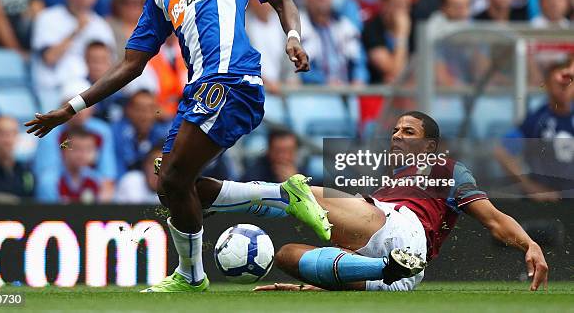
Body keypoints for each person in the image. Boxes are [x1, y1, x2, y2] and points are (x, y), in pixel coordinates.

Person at [25, 0, 320, 294]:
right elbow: (131, 63)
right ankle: (282, 195)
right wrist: (71, 107)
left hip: (231, 80)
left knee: (174, 181)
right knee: (175, 185)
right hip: (197, 92)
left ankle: (192, 276)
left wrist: (292, 37)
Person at [156, 111, 548, 292]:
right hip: (395, 271)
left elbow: (494, 219)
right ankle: (380, 269)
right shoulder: (391, 182)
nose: (396, 135)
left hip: (402, 229)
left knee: (302, 193)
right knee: (287, 255)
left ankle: (213, 192)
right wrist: (324, 282)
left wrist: (528, 244)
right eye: (394, 129)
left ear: (429, 145)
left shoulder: (443, 168)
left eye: (408, 131)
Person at [495, 61, 574, 201]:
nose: (565, 88)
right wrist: (528, 186)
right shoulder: (537, 120)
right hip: (550, 201)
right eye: (560, 84)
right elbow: (502, 152)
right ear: (548, 86)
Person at [31, 0, 116, 91]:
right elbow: (49, 58)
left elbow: (110, 65)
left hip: (93, 89)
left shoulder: (101, 25)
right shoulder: (47, 17)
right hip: (56, 87)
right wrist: (76, 31)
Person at [299, 0, 366, 85]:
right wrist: (324, 82)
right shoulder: (298, 25)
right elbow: (298, 68)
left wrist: (358, 79)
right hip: (312, 96)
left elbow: (359, 61)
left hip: (345, 94)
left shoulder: (345, 25)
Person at [362, 0, 414, 84]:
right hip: (377, 92)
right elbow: (396, 72)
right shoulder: (371, 29)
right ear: (384, 4)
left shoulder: (415, 26)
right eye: (397, 4)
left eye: (406, 5)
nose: (402, 10)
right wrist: (402, 33)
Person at [112, 90, 169, 177]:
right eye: (139, 109)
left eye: (150, 109)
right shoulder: (116, 133)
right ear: (128, 110)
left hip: (152, 186)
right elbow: (116, 173)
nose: (145, 116)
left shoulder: (162, 134)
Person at [57, 126, 105, 204]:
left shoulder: (96, 181)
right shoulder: (53, 181)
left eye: (88, 149)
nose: (83, 155)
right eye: (76, 148)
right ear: (64, 151)